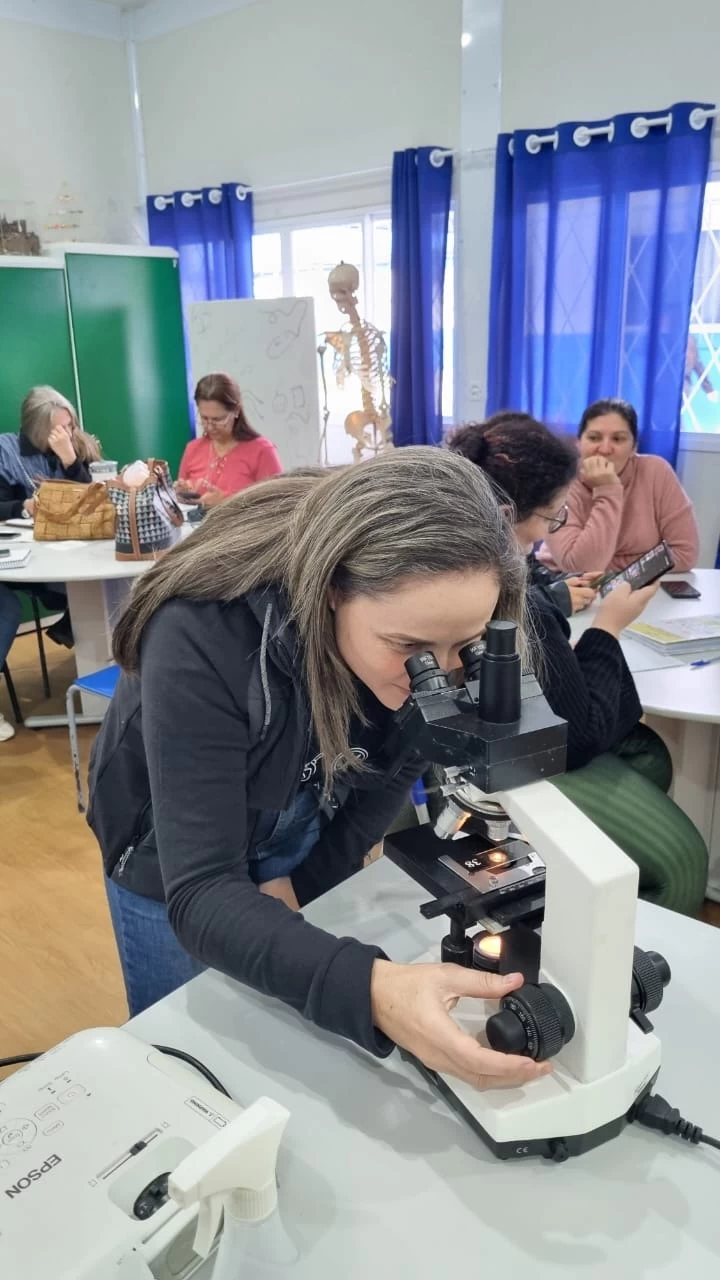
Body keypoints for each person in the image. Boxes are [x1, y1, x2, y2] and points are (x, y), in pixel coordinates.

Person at [88, 448, 553, 1093]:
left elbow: (395, 766)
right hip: (166, 851)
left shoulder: (408, 639)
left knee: (284, 1057)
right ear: (334, 588)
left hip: (300, 790)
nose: (437, 676)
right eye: (412, 650)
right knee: (186, 1069)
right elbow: (198, 893)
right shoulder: (202, 628)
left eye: (462, 647)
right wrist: (375, 992)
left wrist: (306, 880)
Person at [448, 414, 708, 914]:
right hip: (515, 758)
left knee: (651, 756)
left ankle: (586, 894)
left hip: (500, 738)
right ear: (507, 515)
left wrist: (555, 597)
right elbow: (579, 733)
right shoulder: (507, 593)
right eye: (552, 516)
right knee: (683, 861)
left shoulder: (492, 565)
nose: (554, 527)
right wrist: (608, 626)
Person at [0, 386, 101, 742]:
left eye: (69, 425)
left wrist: (71, 461)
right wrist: (21, 507)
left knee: (102, 586)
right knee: (6, 608)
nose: (66, 433)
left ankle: (81, 642)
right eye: (57, 428)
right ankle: (70, 628)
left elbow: (91, 501)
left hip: (64, 558)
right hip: (19, 561)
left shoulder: (74, 448)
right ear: (35, 428)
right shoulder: (5, 452)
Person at [539, 398, 699, 575]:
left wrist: (610, 567)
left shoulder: (656, 472)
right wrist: (608, 490)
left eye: (618, 439)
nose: (605, 449)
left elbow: (685, 553)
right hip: (562, 587)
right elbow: (579, 568)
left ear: (634, 448)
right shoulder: (560, 479)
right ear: (579, 444)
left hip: (639, 587)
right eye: (594, 438)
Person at [176, 373, 282, 508]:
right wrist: (183, 495)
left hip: (243, 528)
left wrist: (227, 503)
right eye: (204, 418)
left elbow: (278, 507)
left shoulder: (262, 451)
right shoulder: (193, 448)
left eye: (218, 420)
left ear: (236, 411)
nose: (209, 426)